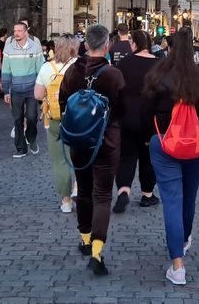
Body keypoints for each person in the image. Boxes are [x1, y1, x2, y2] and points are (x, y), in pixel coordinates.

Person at [144, 30, 199, 285]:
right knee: (188, 198)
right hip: (196, 145)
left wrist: (148, 138)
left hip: (165, 145)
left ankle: (177, 266)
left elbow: (145, 111)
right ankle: (184, 238)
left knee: (171, 201)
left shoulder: (158, 75)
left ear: (168, 48)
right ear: (192, 50)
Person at [58, 24, 125, 275]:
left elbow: (62, 102)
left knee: (84, 190)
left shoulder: (72, 72)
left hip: (79, 140)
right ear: (107, 46)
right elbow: (122, 109)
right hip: (106, 141)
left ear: (85, 44)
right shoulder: (113, 74)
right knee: (103, 195)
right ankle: (97, 251)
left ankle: (84, 239)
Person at [113, 30, 161, 212]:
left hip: (127, 116)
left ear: (134, 44)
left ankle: (124, 190)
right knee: (148, 157)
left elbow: (117, 89)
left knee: (126, 156)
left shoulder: (124, 62)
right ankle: (147, 194)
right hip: (151, 117)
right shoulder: (158, 63)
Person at [34, 34, 79, 212]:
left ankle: (66, 201)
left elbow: (38, 95)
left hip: (56, 119)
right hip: (78, 120)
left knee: (60, 161)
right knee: (81, 157)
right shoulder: (80, 67)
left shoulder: (47, 67)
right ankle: (78, 187)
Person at [2, 21, 45, 158]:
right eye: (15, 31)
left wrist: (42, 89)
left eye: (19, 31)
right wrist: (5, 91)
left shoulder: (35, 47)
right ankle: (21, 148)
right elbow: (5, 71)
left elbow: (41, 69)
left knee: (32, 117)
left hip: (32, 89)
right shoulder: (8, 48)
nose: (16, 33)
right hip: (15, 89)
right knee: (17, 119)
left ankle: (31, 138)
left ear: (26, 32)